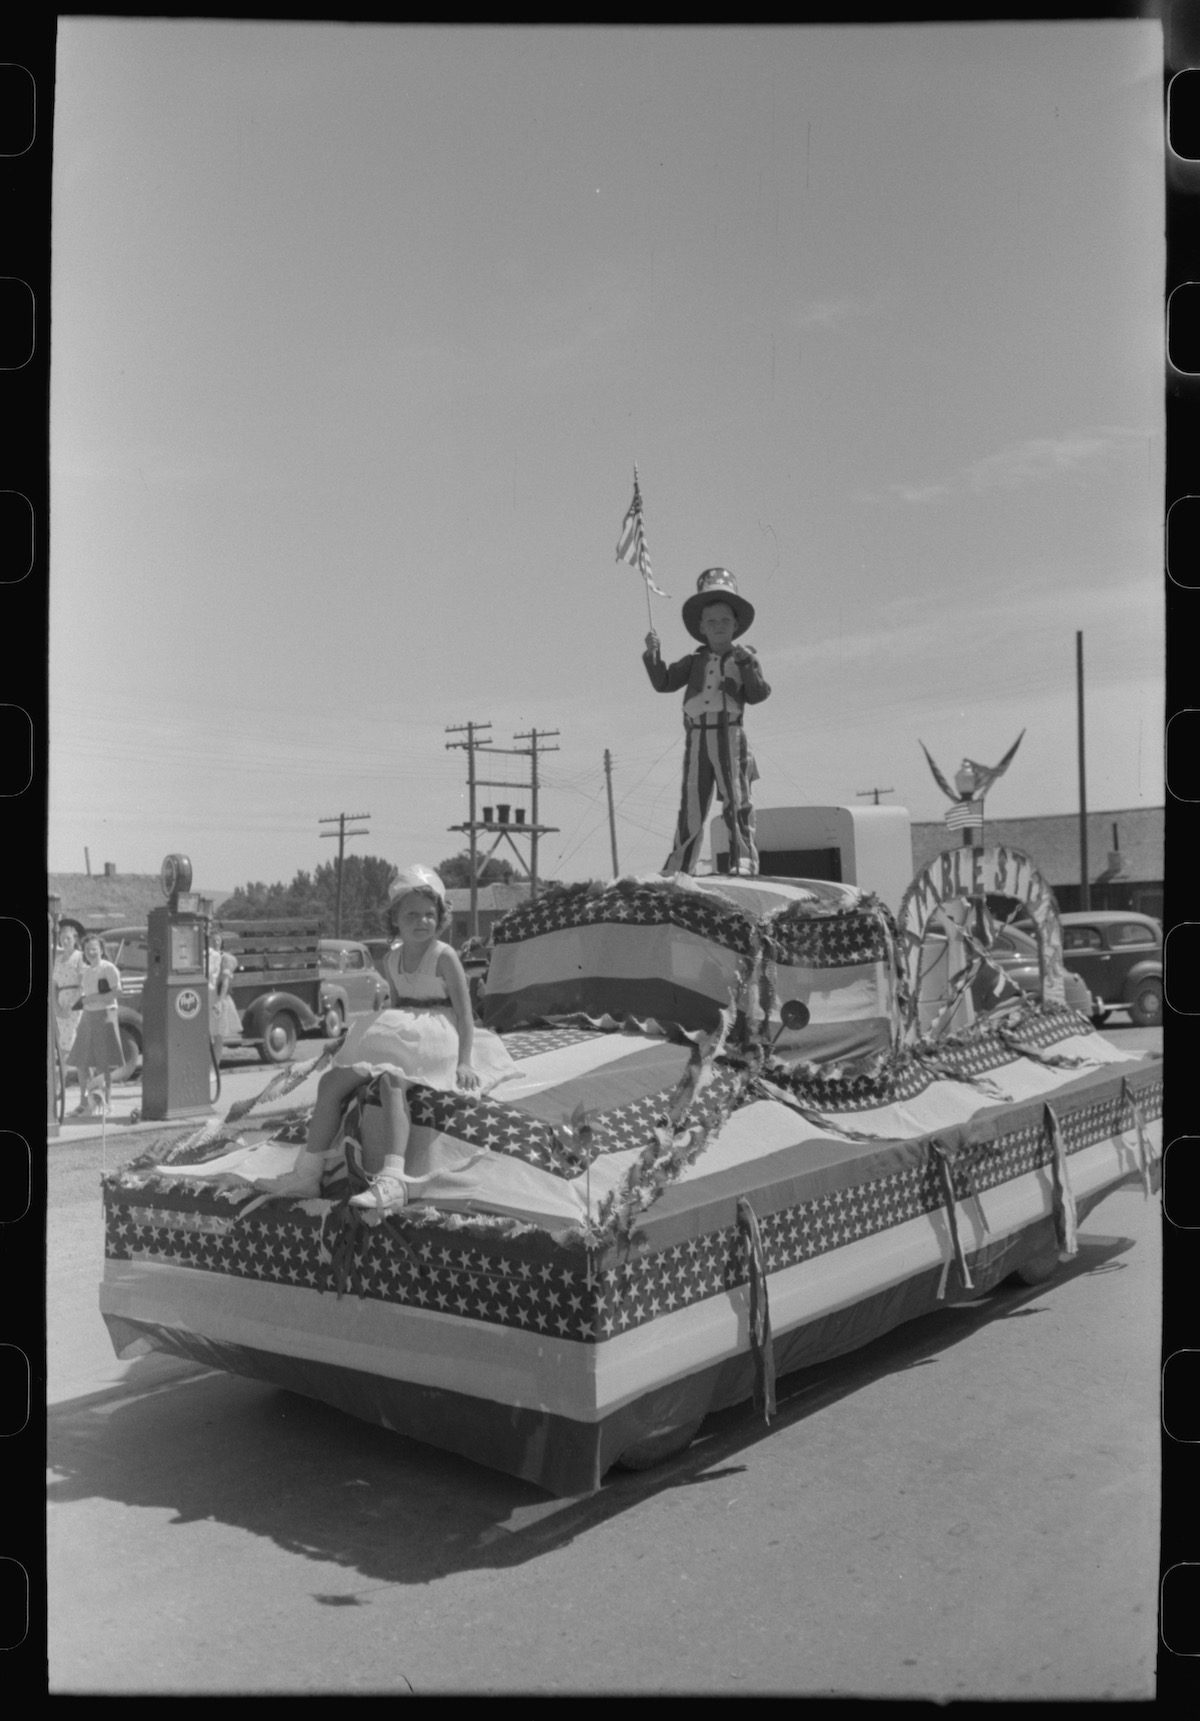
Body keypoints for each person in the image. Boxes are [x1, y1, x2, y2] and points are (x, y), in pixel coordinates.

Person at [254, 865, 516, 1211]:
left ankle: (393, 1181)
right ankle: (308, 1172)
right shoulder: (391, 959)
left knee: (394, 1082)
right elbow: (396, 1006)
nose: (421, 922)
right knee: (331, 1083)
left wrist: (465, 1060)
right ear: (395, 919)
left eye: (429, 915)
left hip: (439, 1033)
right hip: (406, 1029)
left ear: (440, 918)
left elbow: (465, 1013)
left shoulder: (444, 956)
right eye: (411, 915)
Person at [643, 566, 771, 876]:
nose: (718, 627)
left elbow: (758, 694)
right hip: (698, 735)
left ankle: (743, 859)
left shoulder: (743, 659)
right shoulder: (695, 660)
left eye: (725, 621)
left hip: (730, 735)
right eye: (711, 621)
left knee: (736, 798)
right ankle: (681, 865)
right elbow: (664, 682)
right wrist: (653, 656)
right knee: (692, 802)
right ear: (701, 626)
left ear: (736, 625)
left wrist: (745, 674)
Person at [66, 932, 125, 1114]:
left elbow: (117, 992)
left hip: (104, 1016)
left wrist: (92, 998)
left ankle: (105, 1103)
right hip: (88, 1017)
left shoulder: (109, 968)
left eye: (94, 948)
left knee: (102, 1063)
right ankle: (85, 1103)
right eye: (87, 949)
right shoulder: (87, 971)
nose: (91, 952)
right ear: (83, 951)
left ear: (101, 949)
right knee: (82, 1063)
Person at [207, 926, 242, 1066]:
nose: (216, 943)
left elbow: (225, 982)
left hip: (219, 998)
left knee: (218, 1034)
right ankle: (209, 1064)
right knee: (208, 1032)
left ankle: (215, 1064)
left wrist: (220, 1001)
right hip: (208, 997)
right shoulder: (207, 957)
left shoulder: (225, 959)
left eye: (218, 940)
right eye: (213, 940)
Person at [53, 923, 86, 1064]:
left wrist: (70, 1005)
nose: (65, 942)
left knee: (68, 1043)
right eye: (62, 938)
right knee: (64, 1041)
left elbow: (83, 984)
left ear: (75, 939)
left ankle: (62, 1082)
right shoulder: (58, 960)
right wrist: (56, 1006)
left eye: (68, 938)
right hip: (60, 1003)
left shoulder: (80, 957)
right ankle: (87, 1078)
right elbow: (54, 985)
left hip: (74, 1004)